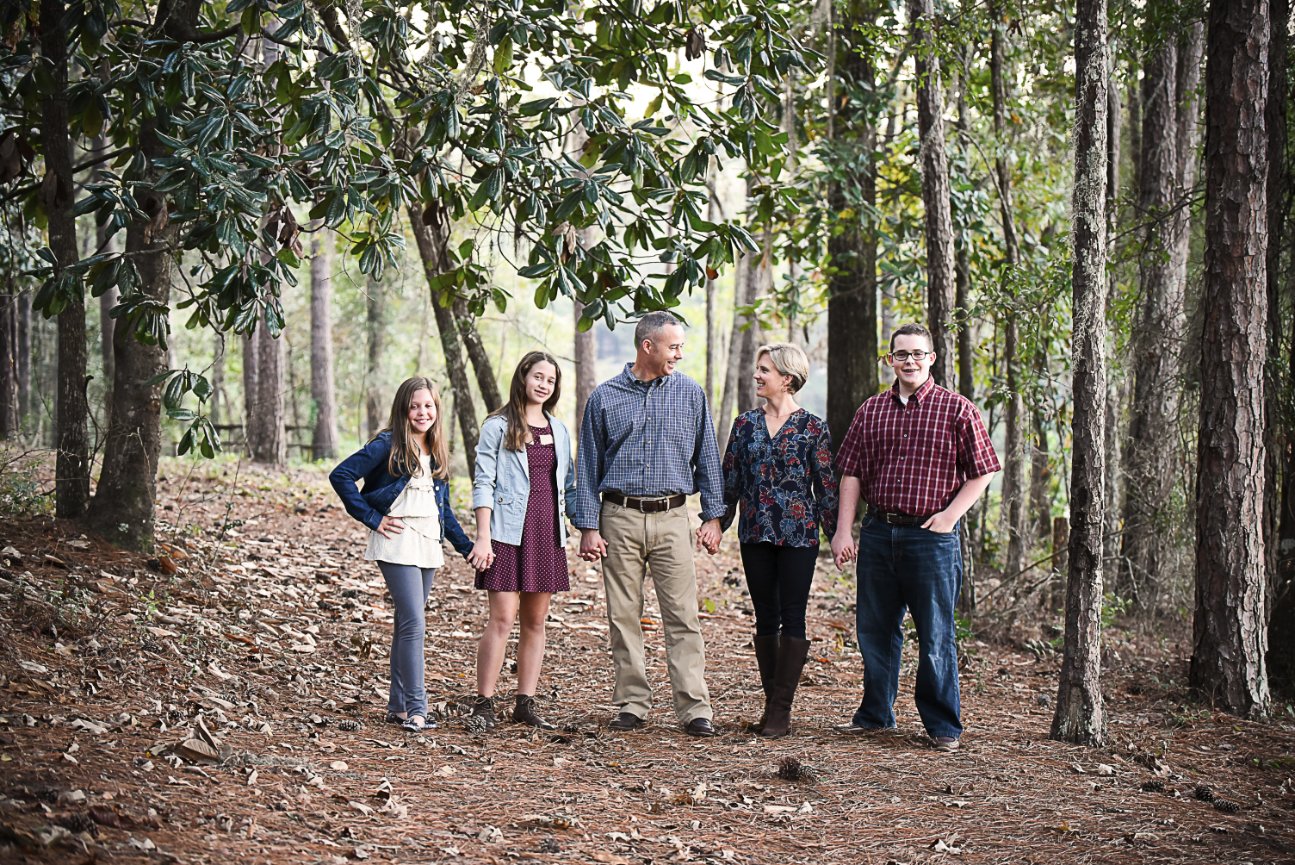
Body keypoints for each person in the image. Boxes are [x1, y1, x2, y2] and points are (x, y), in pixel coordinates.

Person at [830, 324, 1000, 752]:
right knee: (875, 630)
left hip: (931, 538)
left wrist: (949, 517)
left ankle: (942, 726)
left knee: (935, 632)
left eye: (917, 354)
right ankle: (874, 716)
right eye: (901, 354)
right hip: (879, 531)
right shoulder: (871, 411)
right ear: (889, 359)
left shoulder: (957, 410)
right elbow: (851, 472)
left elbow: (984, 470)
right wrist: (842, 529)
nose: (909, 361)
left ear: (932, 358)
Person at [573, 311, 725, 737]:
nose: (679, 354)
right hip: (618, 517)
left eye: (680, 346)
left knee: (683, 617)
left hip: (674, 517)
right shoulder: (604, 398)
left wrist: (713, 516)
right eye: (673, 346)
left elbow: (708, 458)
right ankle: (632, 703)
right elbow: (587, 467)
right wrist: (588, 526)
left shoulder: (691, 394)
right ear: (647, 346)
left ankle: (695, 708)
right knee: (623, 616)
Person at [329, 377, 473, 733]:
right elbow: (341, 475)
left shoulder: (437, 452)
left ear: (437, 409)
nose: (422, 412)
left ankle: (397, 705)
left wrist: (467, 547)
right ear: (403, 409)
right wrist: (372, 518)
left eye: (428, 405)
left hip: (427, 542)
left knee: (406, 625)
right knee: (414, 623)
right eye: (415, 406)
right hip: (396, 540)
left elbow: (444, 511)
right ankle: (417, 709)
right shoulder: (388, 444)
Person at [720, 343, 838, 738]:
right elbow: (730, 481)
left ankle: (781, 710)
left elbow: (825, 488)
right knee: (765, 616)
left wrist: (837, 533)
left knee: (794, 614)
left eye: (764, 370)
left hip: (797, 536)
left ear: (787, 379)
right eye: (757, 368)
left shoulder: (813, 428)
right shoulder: (744, 425)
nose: (757, 375)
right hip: (755, 533)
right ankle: (773, 706)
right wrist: (715, 524)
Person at [466, 351, 577, 732]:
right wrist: (483, 538)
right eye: (538, 376)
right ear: (523, 377)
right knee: (501, 619)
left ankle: (524, 703)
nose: (544, 384)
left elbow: (568, 486)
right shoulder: (498, 426)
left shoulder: (558, 430)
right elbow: (483, 482)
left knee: (535, 621)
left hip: (547, 533)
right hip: (507, 532)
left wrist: (588, 529)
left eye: (551, 379)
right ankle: (484, 703)